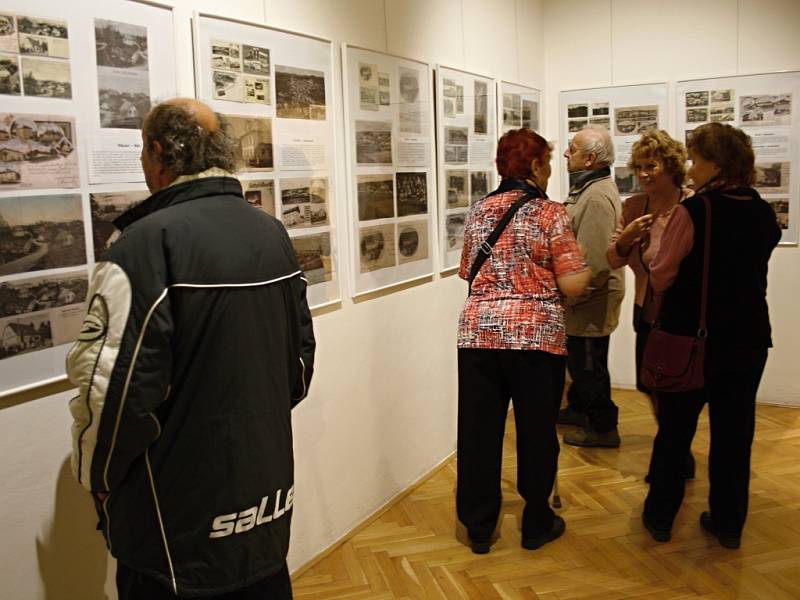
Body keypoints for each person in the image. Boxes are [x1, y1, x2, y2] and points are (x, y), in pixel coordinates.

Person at [67, 98, 315, 599]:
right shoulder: (269, 231)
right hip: (263, 494)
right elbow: (301, 365)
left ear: (158, 152)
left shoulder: (143, 245)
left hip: (173, 522)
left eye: (142, 149)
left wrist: (98, 476)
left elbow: (114, 395)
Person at [641, 122, 780, 548]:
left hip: (693, 341)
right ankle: (728, 522)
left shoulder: (696, 210)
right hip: (749, 339)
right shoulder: (760, 208)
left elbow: (662, 275)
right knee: (735, 436)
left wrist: (650, 252)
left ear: (715, 164)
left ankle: (660, 518)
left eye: (695, 159)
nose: (691, 167)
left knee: (676, 432)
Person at [457, 128, 590, 554]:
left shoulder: (478, 211)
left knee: (478, 433)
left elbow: (468, 272)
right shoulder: (550, 214)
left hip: (479, 335)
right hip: (535, 338)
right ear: (534, 166)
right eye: (547, 162)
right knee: (536, 432)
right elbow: (571, 284)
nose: (550, 170)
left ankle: (479, 528)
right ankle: (536, 522)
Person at [605, 130, 695, 480]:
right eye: (639, 166)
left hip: (679, 313)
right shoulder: (633, 207)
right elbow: (612, 259)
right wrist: (626, 239)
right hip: (646, 309)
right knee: (649, 384)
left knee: (674, 387)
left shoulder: (691, 205)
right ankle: (674, 445)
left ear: (670, 166)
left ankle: (674, 452)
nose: (643, 174)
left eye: (651, 166)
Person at [558, 126, 625, 448]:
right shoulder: (589, 189)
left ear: (590, 158)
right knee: (583, 360)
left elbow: (596, 261)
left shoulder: (596, 195)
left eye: (572, 149)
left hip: (590, 299)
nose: (566, 154)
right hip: (586, 298)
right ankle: (580, 408)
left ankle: (602, 426)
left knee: (589, 365)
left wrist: (573, 295)